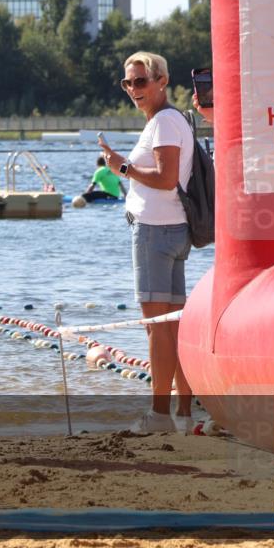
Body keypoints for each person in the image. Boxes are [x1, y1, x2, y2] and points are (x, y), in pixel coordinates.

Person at [99, 51, 195, 434]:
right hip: (170, 230)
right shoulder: (167, 121)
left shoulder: (165, 123)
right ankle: (185, 415)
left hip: (156, 232)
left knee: (157, 326)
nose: (133, 89)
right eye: (127, 82)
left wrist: (121, 167)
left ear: (161, 81)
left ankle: (159, 417)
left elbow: (167, 177)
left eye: (140, 81)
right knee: (172, 327)